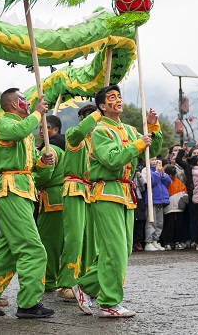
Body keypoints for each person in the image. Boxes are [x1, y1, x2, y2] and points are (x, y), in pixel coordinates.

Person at [73, 85, 162, 318]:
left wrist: (152, 127)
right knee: (114, 250)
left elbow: (152, 151)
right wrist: (139, 143)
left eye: (120, 96)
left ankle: (85, 286)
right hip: (107, 191)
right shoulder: (99, 130)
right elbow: (111, 159)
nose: (118, 100)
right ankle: (108, 303)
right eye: (112, 98)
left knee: (122, 250)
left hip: (126, 193)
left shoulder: (132, 130)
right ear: (102, 106)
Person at [0, 88, 55, 318]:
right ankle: (29, 303)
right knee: (33, 249)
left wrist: (44, 161)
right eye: (24, 99)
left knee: (7, 251)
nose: (28, 103)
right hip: (11, 189)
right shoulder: (5, 123)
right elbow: (18, 132)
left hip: (24, 190)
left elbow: (32, 163)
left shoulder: (25, 132)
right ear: (14, 104)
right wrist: (37, 114)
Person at [55, 104, 101, 297]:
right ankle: (66, 283)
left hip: (93, 191)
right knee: (74, 237)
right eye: (92, 118)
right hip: (75, 188)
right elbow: (80, 132)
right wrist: (100, 111)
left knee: (91, 240)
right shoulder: (74, 135)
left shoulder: (98, 141)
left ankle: (85, 283)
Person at [34, 114, 66, 292]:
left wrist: (30, 179)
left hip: (52, 198)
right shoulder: (66, 145)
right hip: (65, 197)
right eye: (39, 127)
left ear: (55, 130)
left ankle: (50, 279)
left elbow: (44, 173)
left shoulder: (51, 148)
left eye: (44, 127)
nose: (40, 131)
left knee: (49, 242)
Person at [144, 158, 171, 251]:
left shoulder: (159, 170)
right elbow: (149, 182)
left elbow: (168, 183)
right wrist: (156, 173)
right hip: (152, 199)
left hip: (161, 200)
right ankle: (149, 241)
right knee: (151, 221)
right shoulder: (146, 170)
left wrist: (163, 174)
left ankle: (156, 240)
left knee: (159, 222)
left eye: (155, 160)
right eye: (152, 159)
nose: (154, 162)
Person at [161, 164, 188, 250]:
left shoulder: (178, 182)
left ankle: (177, 241)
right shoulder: (165, 181)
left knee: (178, 226)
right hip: (168, 208)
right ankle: (168, 242)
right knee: (169, 226)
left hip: (178, 207)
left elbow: (184, 191)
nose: (176, 175)